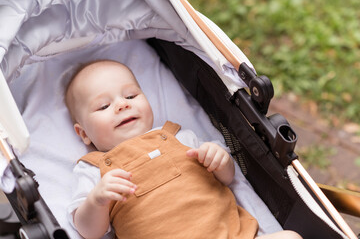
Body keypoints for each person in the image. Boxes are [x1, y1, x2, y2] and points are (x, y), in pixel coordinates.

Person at [65, 60, 302, 239]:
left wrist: (220, 160)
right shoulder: (93, 170)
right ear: (83, 133)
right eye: (104, 106)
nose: (122, 104)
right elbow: (88, 231)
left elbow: (229, 178)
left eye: (131, 95)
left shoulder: (180, 136)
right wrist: (97, 201)